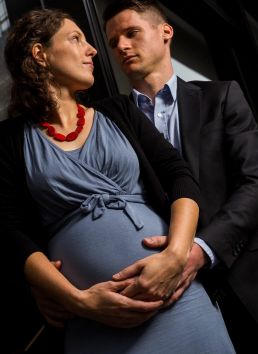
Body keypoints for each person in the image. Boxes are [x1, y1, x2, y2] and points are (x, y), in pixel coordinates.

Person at [0, 8, 237, 354]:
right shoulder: (9, 139)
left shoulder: (120, 111)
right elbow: (9, 231)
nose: (93, 49)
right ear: (40, 53)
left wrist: (176, 254)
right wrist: (79, 301)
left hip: (178, 300)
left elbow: (180, 176)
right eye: (76, 38)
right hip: (94, 320)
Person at [100, 0, 258, 353]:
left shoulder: (222, 97)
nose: (122, 47)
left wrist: (197, 251)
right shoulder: (113, 121)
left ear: (166, 32)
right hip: (168, 307)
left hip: (253, 286)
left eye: (131, 33)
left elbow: (256, 183)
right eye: (114, 42)